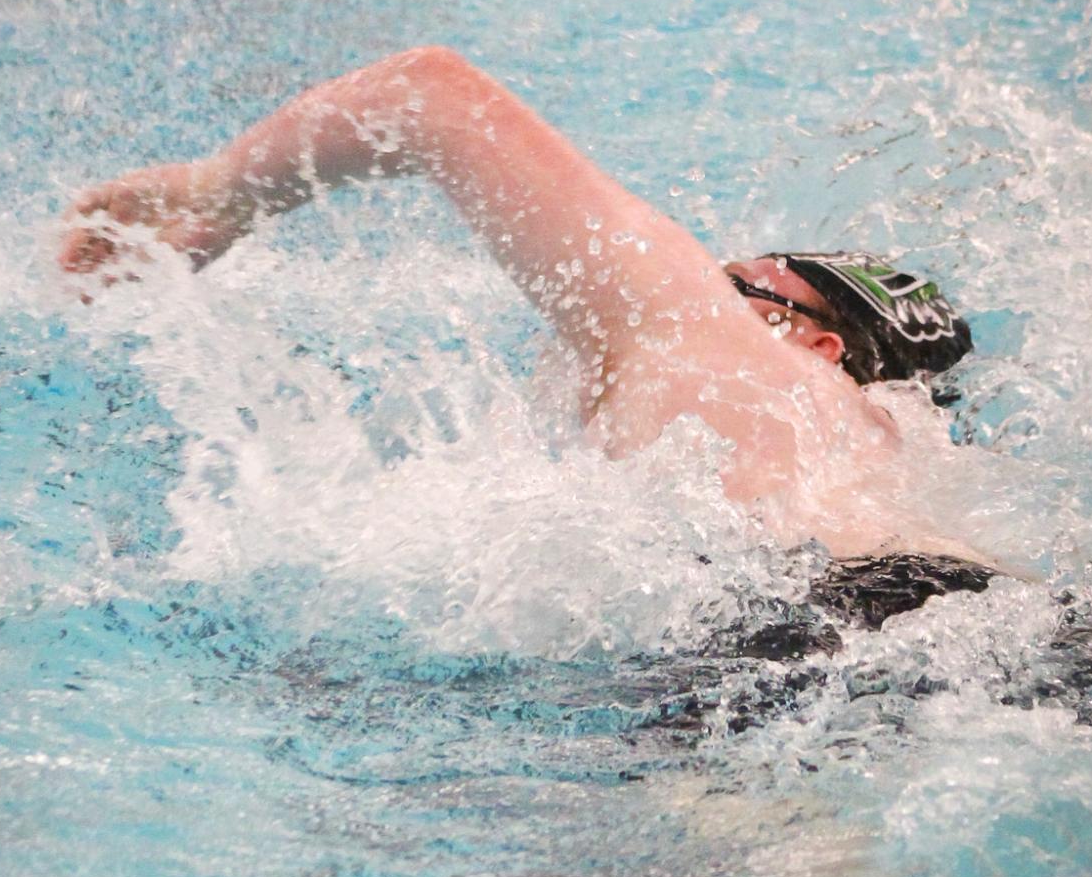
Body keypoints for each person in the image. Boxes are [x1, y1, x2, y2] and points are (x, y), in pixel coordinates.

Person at [59, 45, 990, 620]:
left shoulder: (737, 360)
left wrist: (216, 196)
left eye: (732, 282)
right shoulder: (902, 463)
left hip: (797, 638)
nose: (698, 280)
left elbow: (431, 94)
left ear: (818, 345)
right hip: (1003, 630)